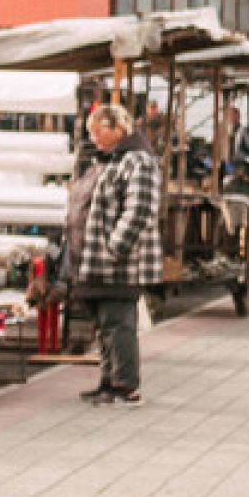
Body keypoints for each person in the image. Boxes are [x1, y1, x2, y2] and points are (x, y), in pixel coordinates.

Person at [74, 104, 161, 408]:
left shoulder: (138, 161)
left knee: (118, 322)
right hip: (98, 260)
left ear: (118, 129)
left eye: (99, 131)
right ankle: (109, 381)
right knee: (105, 323)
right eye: (91, 132)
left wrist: (115, 247)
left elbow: (139, 209)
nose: (94, 138)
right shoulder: (111, 160)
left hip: (119, 262)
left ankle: (126, 386)